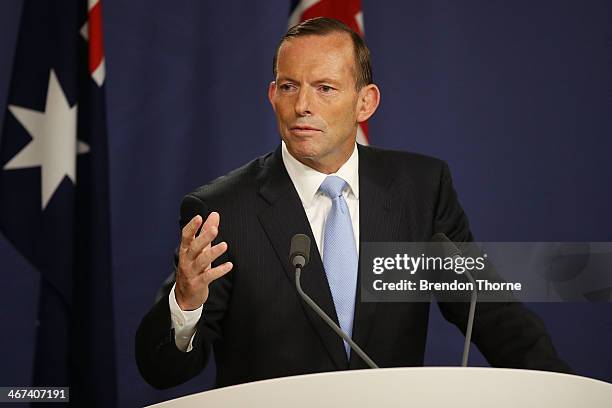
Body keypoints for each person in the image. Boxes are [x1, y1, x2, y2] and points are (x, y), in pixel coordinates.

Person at [135, 17, 570, 390]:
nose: (302, 105)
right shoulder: (222, 211)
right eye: (289, 86)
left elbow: (490, 311)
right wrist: (185, 304)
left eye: (324, 88)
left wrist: (563, 391)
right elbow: (162, 370)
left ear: (366, 102)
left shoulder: (422, 189)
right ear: (272, 96)